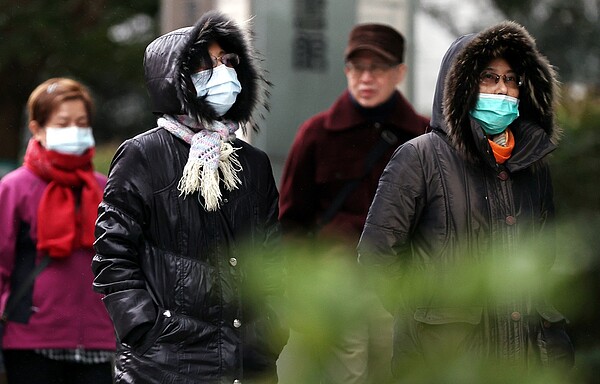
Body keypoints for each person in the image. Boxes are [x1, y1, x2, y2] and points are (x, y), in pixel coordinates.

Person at [357, 21, 575, 381]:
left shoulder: (532, 164)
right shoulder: (419, 157)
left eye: (511, 80)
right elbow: (377, 257)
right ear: (460, 86)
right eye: (488, 78)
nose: (502, 90)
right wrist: (426, 317)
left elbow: (545, 256)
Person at [91, 10, 287, 384]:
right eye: (207, 65)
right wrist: (144, 329)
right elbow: (112, 256)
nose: (224, 73)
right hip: (164, 362)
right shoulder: (143, 155)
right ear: (175, 80)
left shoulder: (254, 163)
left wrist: (270, 329)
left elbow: (272, 257)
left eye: (227, 62)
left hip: (247, 361)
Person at [278, 23, 428, 383]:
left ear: (399, 73)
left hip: (399, 287)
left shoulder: (424, 136)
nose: (366, 77)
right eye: (357, 68)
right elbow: (290, 221)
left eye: (377, 68)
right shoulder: (316, 134)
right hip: (335, 286)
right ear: (346, 71)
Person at [0, 78, 115, 384]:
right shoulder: (14, 188)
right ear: (37, 129)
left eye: (81, 123)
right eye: (63, 123)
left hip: (97, 339)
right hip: (31, 341)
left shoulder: (104, 188)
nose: (75, 131)